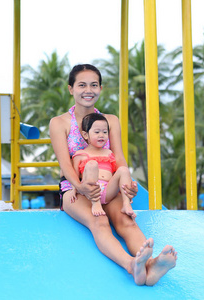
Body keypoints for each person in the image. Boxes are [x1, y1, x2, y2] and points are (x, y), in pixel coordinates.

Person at [49, 64, 177, 286]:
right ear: (71, 89)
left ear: (100, 88)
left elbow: (118, 159)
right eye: (82, 85)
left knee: (126, 221)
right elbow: (65, 164)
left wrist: (127, 185)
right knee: (99, 222)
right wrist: (80, 187)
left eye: (94, 85)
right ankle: (131, 264)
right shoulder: (59, 123)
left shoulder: (111, 120)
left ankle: (151, 267)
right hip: (74, 190)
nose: (88, 90)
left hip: (108, 185)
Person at [64, 112, 136, 218]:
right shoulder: (80, 154)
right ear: (85, 135)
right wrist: (74, 189)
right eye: (97, 132)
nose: (101, 135)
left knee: (123, 170)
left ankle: (126, 204)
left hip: (108, 190)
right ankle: (96, 204)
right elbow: (75, 175)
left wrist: (124, 187)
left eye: (105, 132)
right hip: (90, 192)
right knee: (92, 164)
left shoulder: (109, 153)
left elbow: (115, 173)